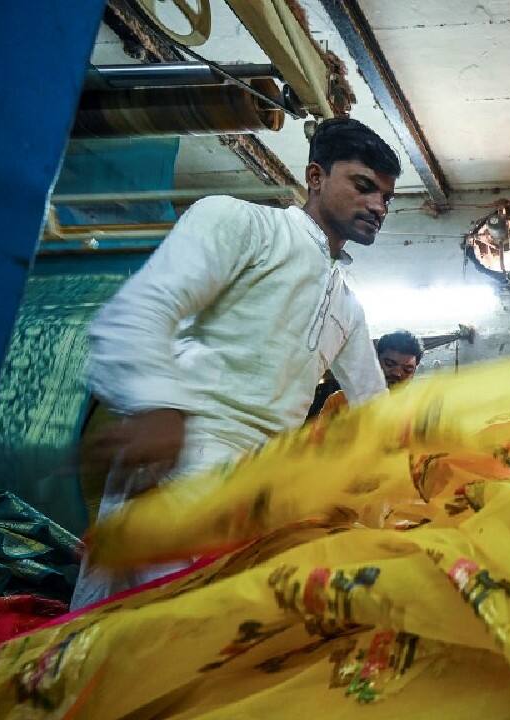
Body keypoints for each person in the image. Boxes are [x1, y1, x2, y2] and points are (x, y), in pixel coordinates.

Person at [74, 118, 400, 607]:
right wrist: (156, 406)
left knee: (219, 658)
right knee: (142, 640)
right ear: (315, 177)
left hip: (265, 493)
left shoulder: (348, 307)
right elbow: (141, 309)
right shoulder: (241, 222)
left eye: (386, 198)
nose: (377, 206)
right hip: (186, 461)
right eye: (363, 186)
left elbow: (377, 413)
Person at [308, 330, 423, 418]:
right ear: (375, 361)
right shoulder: (340, 402)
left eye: (407, 370)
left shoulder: (420, 410)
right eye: (389, 363)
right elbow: (316, 444)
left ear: (413, 373)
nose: (397, 373)